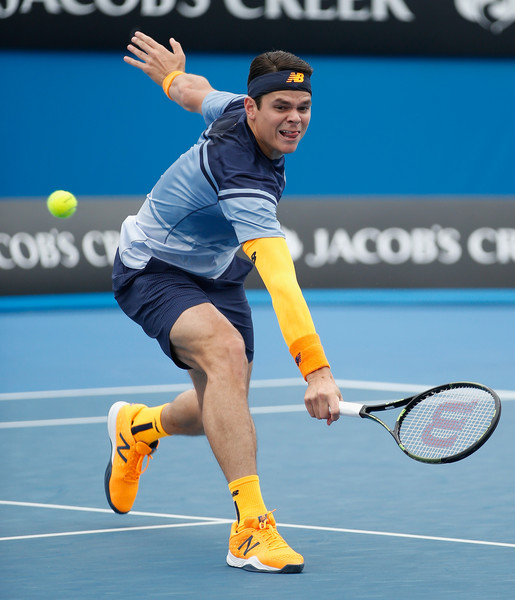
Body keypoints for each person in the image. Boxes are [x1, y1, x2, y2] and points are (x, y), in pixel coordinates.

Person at [106, 31, 343, 574]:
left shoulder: (234, 107)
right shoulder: (242, 177)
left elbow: (195, 91)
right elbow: (282, 281)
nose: (295, 118)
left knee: (221, 400)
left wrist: (169, 77)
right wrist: (317, 370)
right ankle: (251, 529)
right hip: (154, 269)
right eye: (281, 107)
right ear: (254, 108)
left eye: (304, 107)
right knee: (226, 352)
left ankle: (137, 428)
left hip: (217, 271)